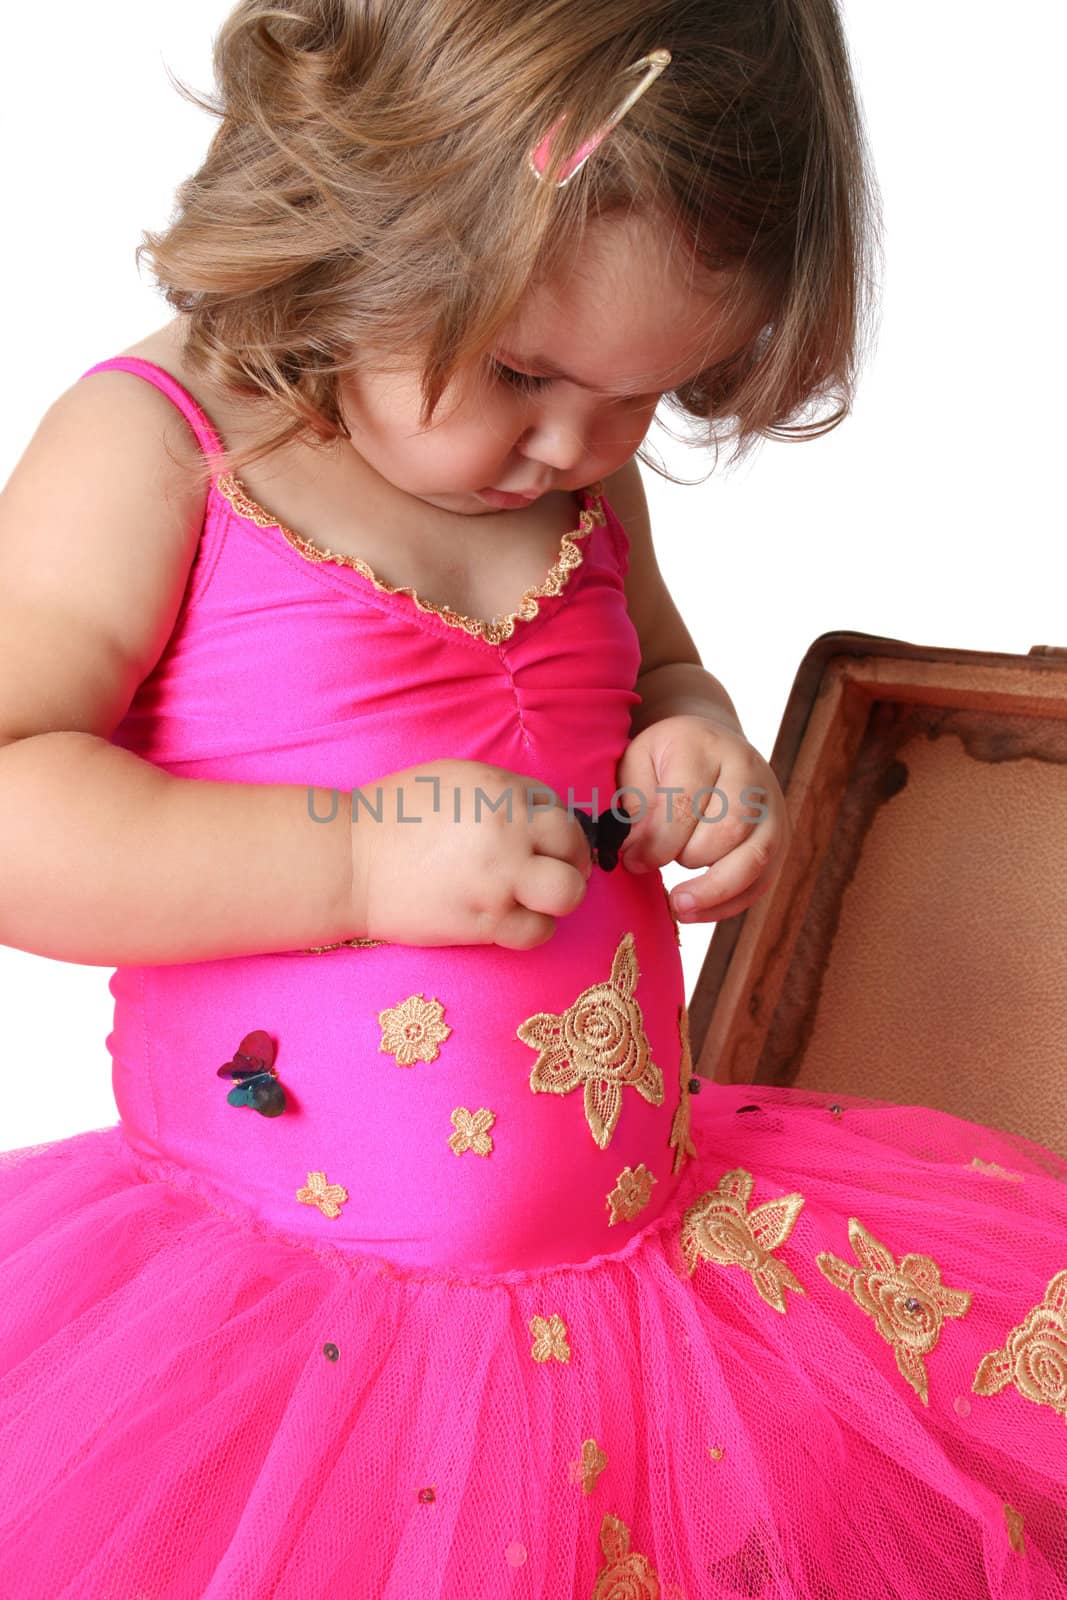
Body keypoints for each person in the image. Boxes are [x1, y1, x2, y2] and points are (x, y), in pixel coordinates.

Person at [0, 2, 1064, 1594]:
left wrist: (695, 746)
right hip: (294, 1325)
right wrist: (352, 870)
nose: (576, 444)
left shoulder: (570, 464)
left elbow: (658, 675)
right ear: (352, 217)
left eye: (648, 396)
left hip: (651, 1278)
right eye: (522, 372)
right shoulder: (160, 453)